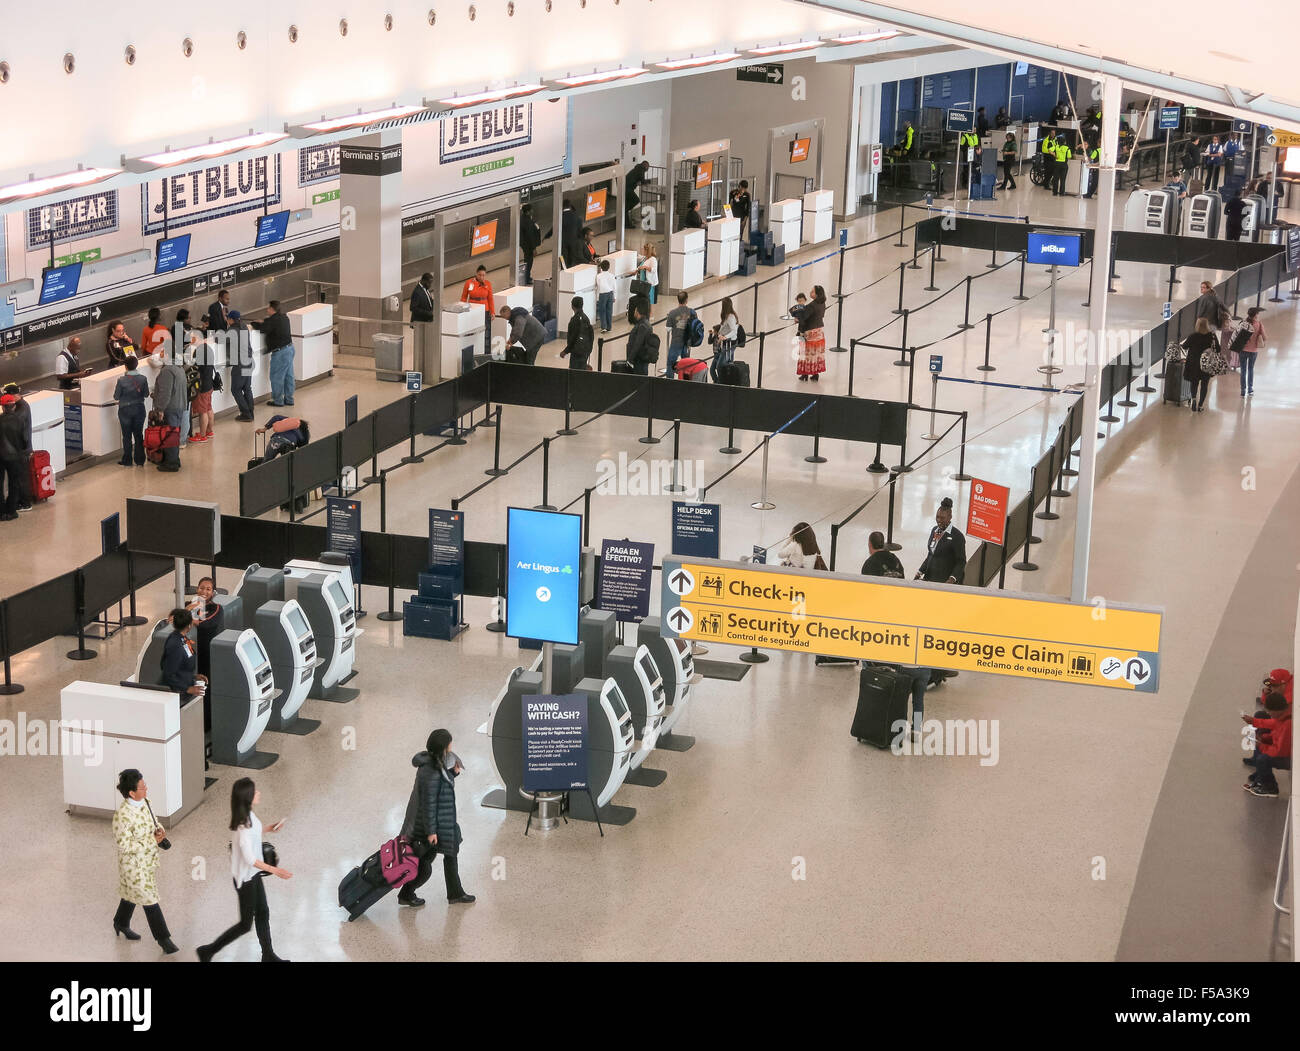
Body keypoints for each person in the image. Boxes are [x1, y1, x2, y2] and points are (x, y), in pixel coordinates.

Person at [196, 778, 291, 962]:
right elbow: (250, 859)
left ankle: (268, 955)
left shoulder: (249, 816)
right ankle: (208, 951)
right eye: (255, 792)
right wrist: (275, 870)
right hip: (246, 880)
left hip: (253, 876)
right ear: (248, 797)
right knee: (245, 925)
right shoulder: (242, 826)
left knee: (263, 912)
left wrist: (268, 829)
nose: (258, 793)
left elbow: (253, 833)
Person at [398, 729, 475, 907]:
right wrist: (431, 831)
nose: (451, 745)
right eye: (449, 743)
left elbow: (440, 783)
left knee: (450, 855)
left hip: (444, 822)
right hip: (435, 826)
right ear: (443, 747)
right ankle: (407, 893)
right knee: (425, 864)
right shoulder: (430, 772)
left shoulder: (434, 764)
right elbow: (429, 804)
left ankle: (455, 893)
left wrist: (453, 774)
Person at [111, 769, 178, 954]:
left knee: (131, 893)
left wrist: (160, 831)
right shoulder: (122, 816)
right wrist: (151, 841)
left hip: (147, 860)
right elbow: (124, 845)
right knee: (149, 899)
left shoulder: (145, 802)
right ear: (132, 792)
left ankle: (120, 922)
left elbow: (154, 821)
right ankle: (164, 940)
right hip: (133, 866)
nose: (146, 789)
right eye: (142, 787)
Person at [1242, 692, 1292, 798]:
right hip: (1283, 750)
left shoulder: (1287, 725)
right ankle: (1260, 777)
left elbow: (1280, 752)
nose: (1268, 713)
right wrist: (1254, 721)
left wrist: (1261, 745)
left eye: (1270, 711)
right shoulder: (1284, 716)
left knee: (1263, 759)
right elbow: (1273, 724)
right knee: (1263, 751)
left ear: (1277, 710)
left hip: (1288, 759)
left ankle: (1270, 788)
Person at [151, 345, 188, 472]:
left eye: (162, 353)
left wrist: (160, 409)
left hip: (170, 408)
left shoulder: (167, 371)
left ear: (166, 355)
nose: (160, 355)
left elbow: (165, 392)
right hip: (179, 405)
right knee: (174, 434)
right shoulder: (179, 368)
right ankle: (174, 460)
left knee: (169, 435)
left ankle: (171, 463)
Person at [916, 497, 967, 584]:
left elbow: (961, 561)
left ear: (950, 517)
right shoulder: (934, 530)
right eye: (937, 517)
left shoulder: (957, 536)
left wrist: (952, 578)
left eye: (942, 518)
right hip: (929, 578)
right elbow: (931, 554)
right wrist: (920, 571)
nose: (939, 520)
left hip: (945, 581)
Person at [161, 608, 206, 700]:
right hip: (178, 694)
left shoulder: (182, 638)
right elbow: (168, 673)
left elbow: (181, 665)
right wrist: (187, 689)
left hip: (185, 686)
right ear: (189, 625)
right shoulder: (175, 645)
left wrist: (193, 676)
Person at [113, 354, 150, 466]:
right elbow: (146, 394)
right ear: (137, 365)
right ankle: (140, 460)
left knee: (127, 436)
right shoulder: (143, 379)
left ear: (125, 367)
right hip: (139, 409)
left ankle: (127, 460)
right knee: (138, 434)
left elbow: (116, 396)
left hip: (125, 410)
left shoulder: (121, 380)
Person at [1, 383, 33, 511]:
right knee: (19, 477)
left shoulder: (22, 408)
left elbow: (17, 427)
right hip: (20, 448)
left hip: (22, 449)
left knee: (22, 477)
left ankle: (25, 503)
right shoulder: (21, 405)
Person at [258, 300, 294, 407]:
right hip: (290, 348)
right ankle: (289, 399)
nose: (266, 309)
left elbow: (263, 329)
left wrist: (258, 323)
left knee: (276, 377)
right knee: (289, 376)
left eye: (268, 308)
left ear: (272, 309)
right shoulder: (285, 317)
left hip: (280, 352)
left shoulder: (272, 321)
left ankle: (278, 400)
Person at [1180, 317, 1220, 413]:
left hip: (1194, 364)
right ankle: (1201, 405)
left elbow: (1184, 346)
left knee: (1194, 383)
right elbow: (1218, 349)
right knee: (1204, 385)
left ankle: (1193, 400)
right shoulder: (1212, 336)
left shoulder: (1193, 336)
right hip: (1207, 364)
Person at [793, 285, 828, 382]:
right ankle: (815, 374)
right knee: (816, 353)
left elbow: (803, 318)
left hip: (809, 332)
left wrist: (797, 319)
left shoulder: (811, 306)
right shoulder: (822, 303)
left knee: (805, 353)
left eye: (812, 292)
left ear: (817, 294)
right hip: (819, 332)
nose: (810, 293)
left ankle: (804, 374)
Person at [226, 311, 255, 421]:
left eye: (228, 319)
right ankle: (251, 412)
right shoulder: (244, 326)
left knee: (236, 389)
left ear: (231, 319)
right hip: (249, 360)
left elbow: (220, 339)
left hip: (240, 363)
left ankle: (246, 413)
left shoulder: (232, 329)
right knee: (247, 388)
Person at [189, 337, 215, 445]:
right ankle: (209, 431)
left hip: (202, 386)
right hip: (209, 383)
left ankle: (202, 436)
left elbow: (195, 367)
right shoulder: (208, 348)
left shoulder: (198, 351)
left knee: (202, 412)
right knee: (208, 408)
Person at [709, 298, 740, 383]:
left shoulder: (730, 317)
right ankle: (724, 381)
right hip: (726, 343)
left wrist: (725, 337)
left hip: (729, 344)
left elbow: (734, 331)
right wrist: (719, 334)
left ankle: (721, 382)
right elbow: (724, 327)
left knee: (720, 366)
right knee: (728, 364)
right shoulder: (726, 316)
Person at [664, 291, 694, 378]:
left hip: (676, 341)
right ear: (687, 300)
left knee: (670, 363)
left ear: (678, 300)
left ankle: (670, 382)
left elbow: (668, 329)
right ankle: (685, 380)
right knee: (686, 363)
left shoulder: (672, 313)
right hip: (687, 342)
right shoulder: (691, 312)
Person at [560, 296, 593, 370]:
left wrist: (565, 351)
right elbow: (591, 335)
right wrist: (589, 350)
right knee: (581, 371)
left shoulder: (574, 320)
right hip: (585, 351)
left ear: (572, 306)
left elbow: (574, 338)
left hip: (576, 352)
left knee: (574, 372)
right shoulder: (586, 318)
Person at [1238, 307, 1266, 396]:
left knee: (1243, 370)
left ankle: (1242, 391)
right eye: (1257, 313)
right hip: (1253, 351)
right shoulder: (1259, 324)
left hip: (1242, 350)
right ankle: (1250, 389)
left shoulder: (1243, 323)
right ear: (1255, 315)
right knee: (1250, 369)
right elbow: (1265, 337)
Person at [625, 301, 657, 376]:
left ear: (638, 312)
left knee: (640, 381)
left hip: (639, 361)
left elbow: (638, 343)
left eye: (635, 310)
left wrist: (630, 359)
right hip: (641, 359)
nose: (634, 312)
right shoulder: (644, 324)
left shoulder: (642, 326)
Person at [519, 204, 542, 285]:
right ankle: (526, 278)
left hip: (524, 243)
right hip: (528, 245)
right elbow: (530, 235)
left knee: (527, 260)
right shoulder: (527, 221)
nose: (533, 211)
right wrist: (533, 248)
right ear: (528, 212)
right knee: (529, 261)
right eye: (531, 210)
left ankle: (527, 276)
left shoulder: (523, 218)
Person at [625, 159, 650, 224]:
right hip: (628, 188)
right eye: (648, 167)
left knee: (628, 203)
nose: (648, 169)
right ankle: (625, 211)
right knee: (636, 200)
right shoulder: (641, 169)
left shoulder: (637, 168)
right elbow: (643, 181)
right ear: (646, 166)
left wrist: (638, 183)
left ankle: (627, 222)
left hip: (626, 187)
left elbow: (639, 180)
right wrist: (648, 182)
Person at [594, 260, 615, 333]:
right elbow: (614, 286)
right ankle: (609, 327)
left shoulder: (599, 276)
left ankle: (604, 327)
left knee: (602, 311)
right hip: (610, 293)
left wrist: (597, 297)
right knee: (609, 311)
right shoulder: (612, 275)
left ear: (601, 267)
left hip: (602, 294)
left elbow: (598, 286)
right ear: (609, 267)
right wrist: (614, 297)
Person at [560, 199, 581, 267]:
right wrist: (580, 239)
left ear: (562, 206)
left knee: (564, 258)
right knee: (572, 257)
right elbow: (579, 228)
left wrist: (547, 236)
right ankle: (571, 269)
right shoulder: (576, 215)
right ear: (570, 206)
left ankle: (564, 270)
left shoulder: (561, 216)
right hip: (573, 240)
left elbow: (555, 227)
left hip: (563, 241)